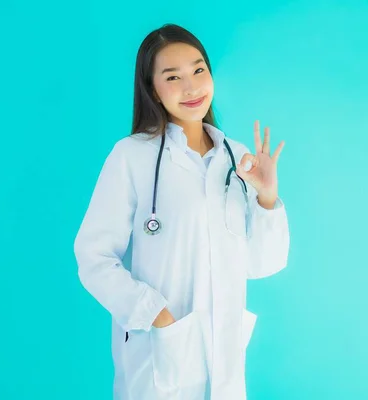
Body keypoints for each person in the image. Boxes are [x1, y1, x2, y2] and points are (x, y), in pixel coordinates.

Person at [73, 23, 290, 400]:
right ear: (152, 89)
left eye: (198, 70)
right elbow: (93, 256)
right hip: (159, 355)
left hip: (223, 359)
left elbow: (261, 265)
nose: (191, 87)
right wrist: (153, 312)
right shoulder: (132, 156)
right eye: (172, 77)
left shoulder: (238, 158)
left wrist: (267, 198)